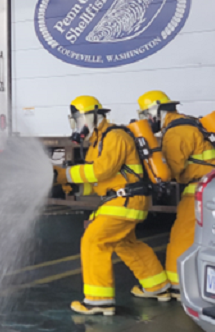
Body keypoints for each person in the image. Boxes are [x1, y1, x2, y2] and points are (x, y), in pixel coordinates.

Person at [64, 96, 169, 316]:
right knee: (125, 243)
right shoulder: (98, 141)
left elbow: (102, 170)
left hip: (126, 200)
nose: (77, 124)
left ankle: (98, 302)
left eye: (79, 118)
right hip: (122, 200)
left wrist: (68, 174)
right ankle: (157, 286)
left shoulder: (115, 136)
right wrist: (66, 184)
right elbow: (97, 180)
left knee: (94, 241)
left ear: (93, 116)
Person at [137, 90, 215, 299]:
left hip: (198, 189)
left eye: (146, 115)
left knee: (180, 236)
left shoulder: (176, 132)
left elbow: (170, 171)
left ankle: (177, 285)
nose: (148, 121)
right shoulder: (188, 122)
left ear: (156, 111)